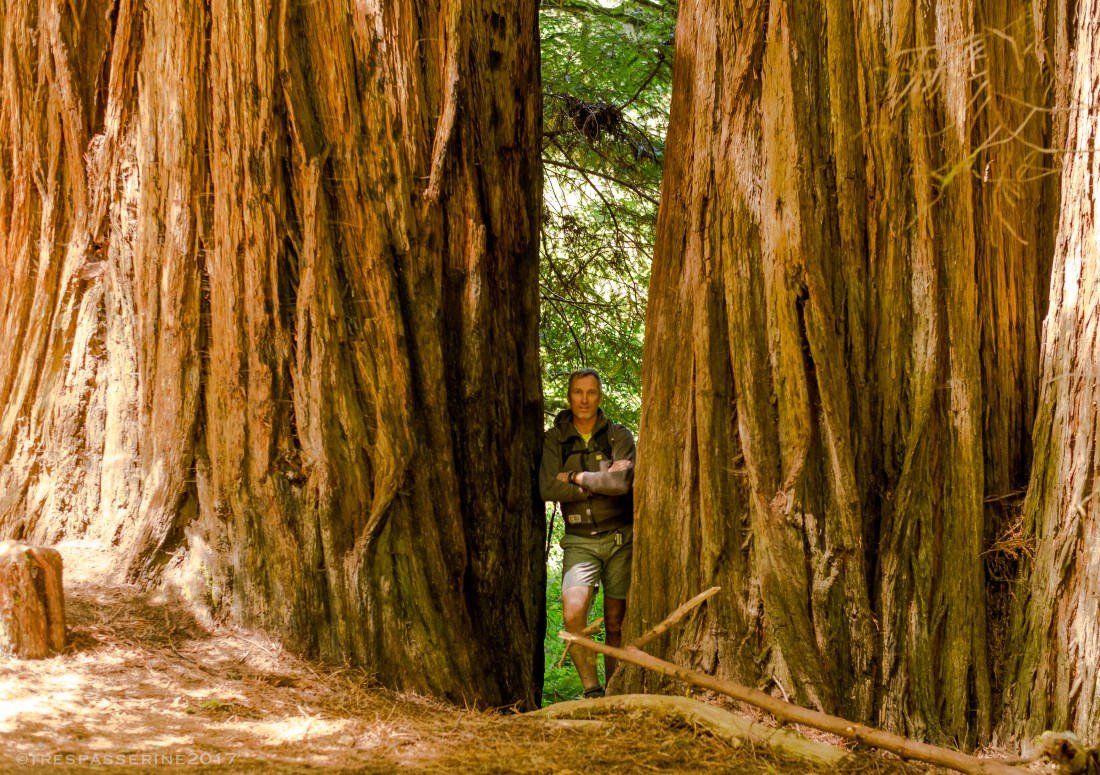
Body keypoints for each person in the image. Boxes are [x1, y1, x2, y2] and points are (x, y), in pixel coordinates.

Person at [540, 368, 636, 699]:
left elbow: (622, 484)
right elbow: (547, 487)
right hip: (580, 540)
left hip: (620, 539)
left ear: (600, 396)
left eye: (591, 392)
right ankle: (592, 691)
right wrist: (600, 484)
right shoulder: (554, 439)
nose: (584, 399)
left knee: (615, 622)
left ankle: (615, 692)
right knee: (573, 614)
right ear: (570, 396)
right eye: (578, 392)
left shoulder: (618, 436)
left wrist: (578, 477)